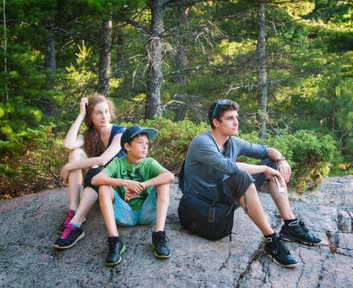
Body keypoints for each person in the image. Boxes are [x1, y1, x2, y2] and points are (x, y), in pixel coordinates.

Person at [180, 99, 322, 268]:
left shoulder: (232, 142)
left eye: (237, 117)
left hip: (223, 195)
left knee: (273, 163)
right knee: (244, 176)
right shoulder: (202, 142)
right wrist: (263, 169)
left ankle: (290, 225)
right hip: (204, 201)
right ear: (216, 122)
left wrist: (281, 160)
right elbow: (230, 167)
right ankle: (271, 240)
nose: (236, 122)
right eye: (230, 118)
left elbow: (267, 150)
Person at [91, 125, 174, 266]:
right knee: (104, 187)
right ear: (127, 146)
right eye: (140, 142)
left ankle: (159, 235)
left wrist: (142, 185)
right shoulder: (118, 163)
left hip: (146, 213)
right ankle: (115, 240)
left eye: (147, 143)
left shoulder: (149, 162)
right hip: (125, 213)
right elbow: (95, 180)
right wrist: (125, 183)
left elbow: (170, 176)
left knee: (164, 182)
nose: (145, 146)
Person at [53, 95, 126, 249]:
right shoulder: (89, 134)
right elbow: (68, 144)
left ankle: (77, 224)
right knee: (75, 153)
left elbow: (102, 160)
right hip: (97, 182)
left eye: (106, 111)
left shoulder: (120, 132)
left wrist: (68, 167)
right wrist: (80, 115)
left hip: (115, 186)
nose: (104, 116)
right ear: (90, 116)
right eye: (98, 113)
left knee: (95, 168)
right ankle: (73, 210)